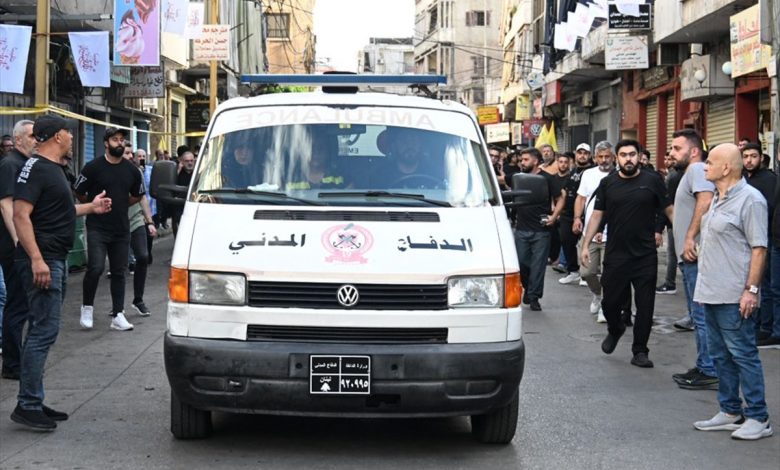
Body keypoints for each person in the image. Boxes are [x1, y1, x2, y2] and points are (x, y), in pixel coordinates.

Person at [10, 114, 111, 430]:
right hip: (44, 260)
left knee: (42, 330)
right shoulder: (38, 168)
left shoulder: (52, 169)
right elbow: (20, 215)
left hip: (55, 257)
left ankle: (32, 398)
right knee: (43, 331)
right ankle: (28, 404)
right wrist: (37, 259)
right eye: (69, 132)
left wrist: (91, 207)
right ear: (57, 136)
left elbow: (59, 210)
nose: (72, 137)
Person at [692, 143, 773, 441]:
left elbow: (759, 248)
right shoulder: (718, 196)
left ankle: (758, 417)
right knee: (720, 355)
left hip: (734, 294)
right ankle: (730, 411)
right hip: (711, 292)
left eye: (710, 162)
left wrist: (751, 290)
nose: (705, 166)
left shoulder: (751, 200)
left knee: (743, 354)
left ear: (726, 168)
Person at [581, 139, 673, 368]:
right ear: (617, 158)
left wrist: (686, 239)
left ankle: (640, 351)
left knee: (645, 306)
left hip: (645, 256)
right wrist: (585, 244)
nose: (628, 159)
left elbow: (669, 210)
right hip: (616, 254)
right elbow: (597, 215)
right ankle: (616, 329)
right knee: (610, 303)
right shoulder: (608, 183)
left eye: (632, 154)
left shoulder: (652, 180)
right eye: (623, 155)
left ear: (639, 156)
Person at [74, 127, 144, 332]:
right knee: (95, 267)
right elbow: (79, 191)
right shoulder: (92, 167)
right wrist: (92, 206)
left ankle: (118, 314)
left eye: (122, 140)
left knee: (119, 271)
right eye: (115, 139)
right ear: (106, 143)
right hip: (97, 227)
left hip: (121, 228)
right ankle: (87, 307)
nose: (119, 143)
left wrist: (120, 203)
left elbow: (137, 195)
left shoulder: (132, 170)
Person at [669, 128, 719, 390]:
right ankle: (704, 365)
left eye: (677, 148)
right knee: (697, 315)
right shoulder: (690, 172)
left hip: (695, 256)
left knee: (701, 316)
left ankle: (709, 369)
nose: (672, 153)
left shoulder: (698, 169)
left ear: (695, 151)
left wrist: (690, 238)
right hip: (688, 258)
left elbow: (706, 201)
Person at [0, 120, 36, 380]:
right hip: (13, 246)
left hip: (21, 243)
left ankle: (18, 360)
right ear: (18, 139)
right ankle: (12, 364)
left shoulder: (26, 164)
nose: (36, 140)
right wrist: (18, 239)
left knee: (23, 304)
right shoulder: (10, 164)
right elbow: (6, 204)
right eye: (32, 136)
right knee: (17, 304)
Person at [513, 147, 565, 311]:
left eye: (525, 159)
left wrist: (554, 217)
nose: (522, 162)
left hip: (541, 230)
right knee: (521, 263)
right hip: (521, 229)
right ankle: (528, 288)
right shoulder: (518, 177)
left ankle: (534, 297)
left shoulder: (547, 178)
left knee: (538, 266)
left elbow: (561, 198)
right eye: (521, 160)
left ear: (535, 161)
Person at [572, 141, 615, 322]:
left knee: (609, 274)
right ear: (595, 157)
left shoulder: (619, 174)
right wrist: (577, 218)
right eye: (600, 157)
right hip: (589, 233)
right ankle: (597, 294)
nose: (604, 160)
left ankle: (605, 306)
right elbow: (581, 198)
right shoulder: (588, 174)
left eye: (607, 157)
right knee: (586, 272)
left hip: (612, 234)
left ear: (613, 157)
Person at [742, 143, 777, 347]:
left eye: (753, 156)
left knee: (768, 285)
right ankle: (757, 325)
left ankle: (768, 327)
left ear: (761, 158)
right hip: (746, 240)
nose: (749, 160)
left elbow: (770, 209)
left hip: (766, 238)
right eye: (745, 156)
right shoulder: (743, 179)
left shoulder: (769, 180)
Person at [124, 143, 157, 316]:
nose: (131, 156)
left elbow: (142, 197)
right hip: (116, 222)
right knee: (118, 265)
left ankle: (138, 300)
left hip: (136, 220)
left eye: (132, 153)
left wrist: (149, 221)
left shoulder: (136, 172)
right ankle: (117, 306)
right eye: (127, 153)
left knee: (143, 256)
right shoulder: (105, 170)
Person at [171, 150, 195, 236]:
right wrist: (178, 170)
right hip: (179, 206)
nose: (190, 163)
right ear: (181, 162)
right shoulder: (176, 173)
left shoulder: (197, 174)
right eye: (187, 161)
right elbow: (171, 184)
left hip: (194, 206)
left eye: (191, 160)